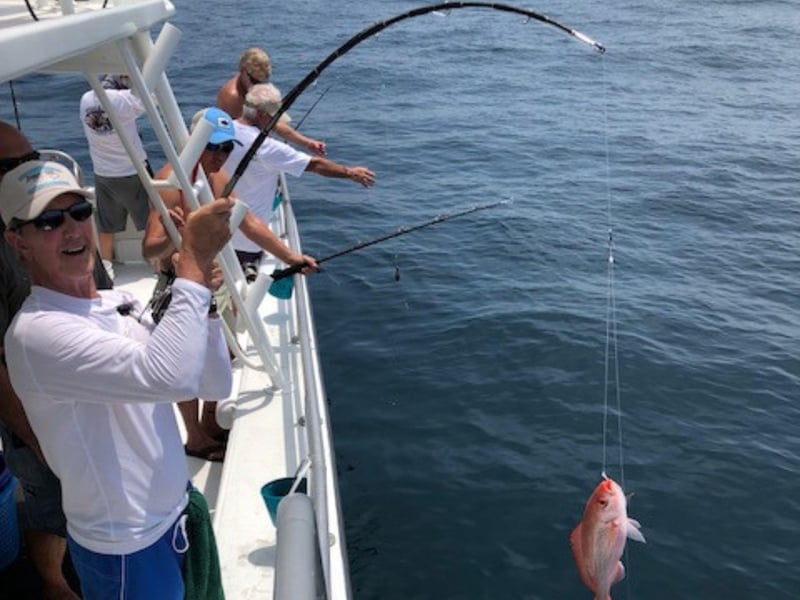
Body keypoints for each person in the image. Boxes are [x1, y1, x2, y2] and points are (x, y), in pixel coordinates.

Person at [1, 157, 234, 599]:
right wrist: (194, 263)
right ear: (18, 240)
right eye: (48, 222)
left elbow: (212, 385)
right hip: (127, 548)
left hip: (175, 516)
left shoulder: (119, 301)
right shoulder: (36, 333)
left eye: (80, 213)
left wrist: (200, 298)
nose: (71, 229)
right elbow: (167, 376)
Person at [142, 107, 318, 461]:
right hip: (178, 287)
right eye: (213, 147)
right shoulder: (171, 181)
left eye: (226, 148)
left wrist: (289, 257)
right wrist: (178, 232)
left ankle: (210, 423)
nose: (221, 156)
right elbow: (150, 249)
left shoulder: (217, 179)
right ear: (194, 143)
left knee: (217, 355)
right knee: (185, 363)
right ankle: (194, 437)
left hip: (214, 284)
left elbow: (248, 222)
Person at [0, 121, 94, 600]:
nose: (27, 170)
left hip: (72, 393)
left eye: (30, 157)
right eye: (11, 166)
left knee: (78, 494)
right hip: (30, 409)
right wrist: (34, 434)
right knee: (49, 505)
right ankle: (54, 585)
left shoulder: (40, 227)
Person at [225, 82, 375, 278]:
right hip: (247, 243)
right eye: (275, 117)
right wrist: (350, 172)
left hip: (218, 235)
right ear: (262, 116)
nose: (277, 123)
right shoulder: (267, 148)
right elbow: (315, 165)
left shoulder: (224, 131)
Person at [80, 74, 152, 275]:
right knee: (151, 222)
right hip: (133, 171)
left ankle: (107, 268)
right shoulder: (123, 99)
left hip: (103, 173)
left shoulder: (85, 99)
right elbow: (150, 99)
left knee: (106, 226)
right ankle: (156, 263)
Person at [216, 47, 327, 155]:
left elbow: (275, 123)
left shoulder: (256, 91)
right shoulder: (233, 98)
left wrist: (307, 143)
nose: (259, 86)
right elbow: (239, 139)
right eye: (255, 81)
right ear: (242, 71)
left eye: (263, 82)